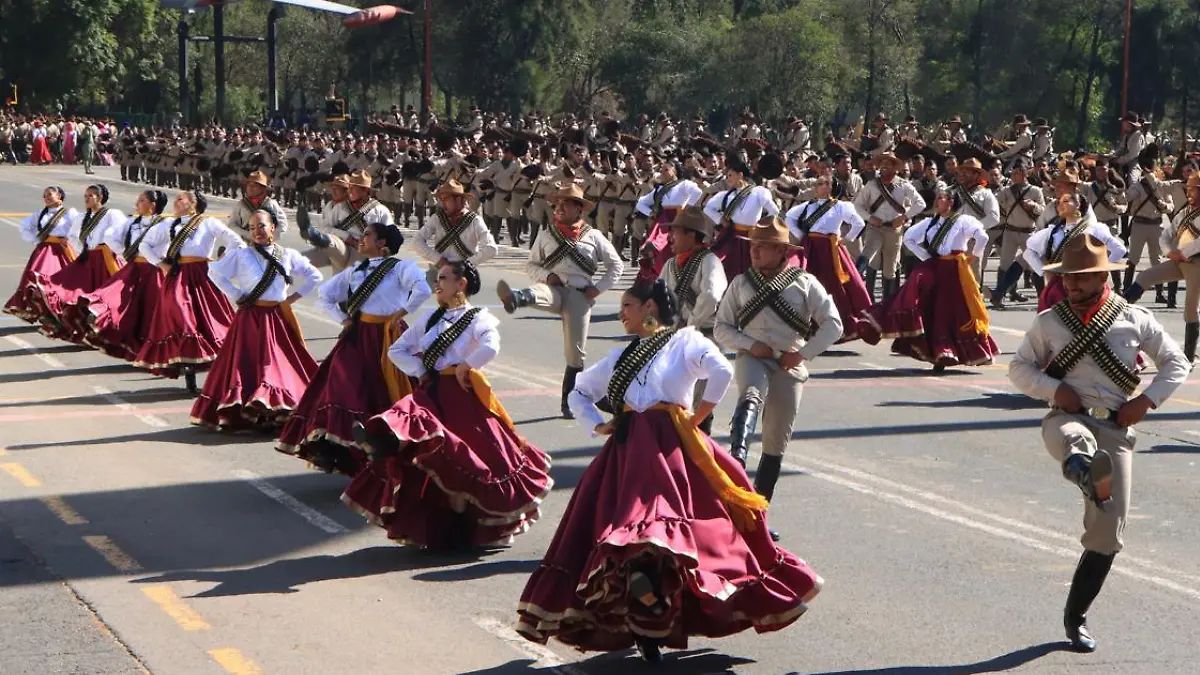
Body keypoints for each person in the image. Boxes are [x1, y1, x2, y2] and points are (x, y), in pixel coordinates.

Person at [517, 279, 823, 663]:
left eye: (628, 305)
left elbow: (721, 372)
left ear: (649, 308)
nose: (623, 312)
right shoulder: (620, 356)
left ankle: (658, 609)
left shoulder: (684, 342)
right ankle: (647, 615)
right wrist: (598, 424)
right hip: (627, 451)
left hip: (670, 449)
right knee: (627, 533)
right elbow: (579, 391)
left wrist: (696, 417)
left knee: (666, 528)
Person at [1008, 234, 1189, 653]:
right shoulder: (1050, 321)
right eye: (1067, 278)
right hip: (1067, 418)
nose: (1071, 286)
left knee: (1108, 534)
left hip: (1115, 428)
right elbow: (1019, 367)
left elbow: (1176, 361)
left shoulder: (1133, 318)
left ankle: (1076, 618)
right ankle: (1084, 468)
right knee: (1075, 439)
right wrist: (1053, 389)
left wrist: (1146, 401)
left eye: (1081, 279)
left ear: (1103, 276)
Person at [344, 261, 553, 549]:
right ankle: (381, 439)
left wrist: (465, 366)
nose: (437, 284)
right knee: (412, 416)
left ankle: (457, 529)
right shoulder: (430, 317)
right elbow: (397, 350)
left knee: (463, 459)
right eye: (436, 279)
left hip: (461, 395)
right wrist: (420, 371)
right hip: (432, 389)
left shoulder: (479, 317)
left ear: (461, 283)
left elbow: (491, 345)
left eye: (443, 278)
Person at [714, 218, 843, 540]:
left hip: (788, 363)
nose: (754, 251)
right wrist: (749, 344)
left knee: (775, 440)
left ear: (782, 251)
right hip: (753, 358)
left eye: (762, 246)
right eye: (752, 245)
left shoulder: (805, 283)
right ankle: (737, 462)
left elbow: (833, 325)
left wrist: (802, 354)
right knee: (750, 398)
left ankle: (757, 516)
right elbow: (722, 327)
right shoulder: (742, 283)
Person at [276, 221, 430, 476]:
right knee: (340, 381)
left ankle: (387, 446)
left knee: (385, 391)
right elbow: (325, 295)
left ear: (382, 244)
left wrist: (400, 313)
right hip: (358, 335)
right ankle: (331, 446)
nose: (362, 238)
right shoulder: (356, 270)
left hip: (389, 336)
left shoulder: (401, 267)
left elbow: (422, 290)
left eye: (368, 235)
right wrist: (344, 319)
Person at [495, 182, 624, 419]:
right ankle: (516, 297)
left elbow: (616, 265)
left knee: (575, 353)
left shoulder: (594, 236)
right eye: (558, 203)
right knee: (540, 292)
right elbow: (531, 264)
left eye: (566, 203)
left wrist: (597, 289)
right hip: (554, 289)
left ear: (579, 209)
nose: (560, 207)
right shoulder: (546, 234)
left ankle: (569, 401)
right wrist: (547, 275)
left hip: (580, 295)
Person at [191, 210, 322, 430]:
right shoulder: (242, 254)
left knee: (277, 364)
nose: (257, 232)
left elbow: (314, 276)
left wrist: (291, 299)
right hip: (250, 316)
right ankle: (250, 412)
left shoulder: (287, 254)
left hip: (277, 318)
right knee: (248, 364)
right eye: (252, 228)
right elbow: (214, 272)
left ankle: (278, 409)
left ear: (273, 227)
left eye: (261, 226)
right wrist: (236, 294)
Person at [857, 184, 1000, 371]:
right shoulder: (930, 223)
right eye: (939, 197)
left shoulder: (963, 220)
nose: (941, 201)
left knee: (955, 310)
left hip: (955, 269)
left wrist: (973, 255)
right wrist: (926, 257)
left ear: (952, 201)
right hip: (936, 265)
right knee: (929, 302)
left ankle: (954, 350)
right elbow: (909, 238)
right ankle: (889, 323)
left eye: (945, 197)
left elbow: (982, 236)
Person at [132, 190, 244, 392]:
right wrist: (161, 264)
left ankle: (223, 376)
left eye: (181, 199)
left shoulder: (208, 223)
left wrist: (222, 262)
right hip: (178, 276)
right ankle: (190, 377)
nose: (175, 202)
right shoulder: (167, 224)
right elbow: (145, 244)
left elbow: (236, 241)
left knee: (210, 321)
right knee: (184, 320)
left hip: (203, 275)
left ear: (193, 204)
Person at [657, 206, 727, 434]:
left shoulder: (709, 261)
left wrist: (692, 325)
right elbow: (659, 299)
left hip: (705, 335)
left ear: (692, 235)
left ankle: (700, 442)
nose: (670, 237)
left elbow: (712, 295)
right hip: (679, 336)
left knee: (699, 398)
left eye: (676, 232)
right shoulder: (670, 265)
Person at [26, 184, 125, 342]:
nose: (86, 199)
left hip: (106, 258)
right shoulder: (82, 217)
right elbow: (74, 237)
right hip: (88, 258)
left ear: (100, 198)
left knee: (108, 295)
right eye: (85, 196)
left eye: (90, 196)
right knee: (67, 289)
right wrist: (82, 249)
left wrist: (111, 247)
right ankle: (70, 324)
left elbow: (120, 233)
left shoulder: (112, 214)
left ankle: (107, 328)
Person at [79, 190, 170, 360]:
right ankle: (103, 319)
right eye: (138, 199)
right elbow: (110, 237)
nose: (137, 204)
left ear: (153, 205)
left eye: (141, 200)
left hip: (155, 270)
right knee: (119, 299)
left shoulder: (166, 223)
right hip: (135, 268)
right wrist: (125, 253)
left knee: (153, 310)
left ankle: (157, 351)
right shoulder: (132, 222)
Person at [784, 173, 872, 342]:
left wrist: (845, 240)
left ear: (833, 187)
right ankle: (810, 326)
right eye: (818, 183)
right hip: (811, 249)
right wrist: (802, 235)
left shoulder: (840, 206)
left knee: (835, 285)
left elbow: (859, 223)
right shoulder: (808, 206)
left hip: (831, 249)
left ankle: (843, 326)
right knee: (809, 283)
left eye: (825, 183)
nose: (821, 186)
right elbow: (789, 218)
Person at [1125, 172, 1200, 364]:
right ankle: (1120, 314)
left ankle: (1189, 357)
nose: (1189, 192)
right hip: (1179, 260)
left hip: (1196, 264)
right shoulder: (1185, 212)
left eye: (1193, 189)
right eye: (1189, 188)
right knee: (1145, 277)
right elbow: (1166, 235)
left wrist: (1184, 252)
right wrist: (1170, 253)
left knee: (1191, 308)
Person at [1023, 187, 1126, 312]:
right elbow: (1028, 252)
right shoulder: (1052, 232)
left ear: (1078, 205)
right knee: (1056, 323)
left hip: (1087, 285)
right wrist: (1045, 273)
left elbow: (1119, 250)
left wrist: (1099, 268)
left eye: (1066, 201)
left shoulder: (1094, 229)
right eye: (1059, 202)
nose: (1060, 204)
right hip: (1061, 287)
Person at [852, 153, 926, 300]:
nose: (884, 166)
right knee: (869, 254)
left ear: (895, 168)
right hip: (875, 228)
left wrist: (903, 218)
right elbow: (857, 205)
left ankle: (888, 303)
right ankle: (866, 296)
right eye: (882, 163)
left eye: (888, 163)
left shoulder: (904, 185)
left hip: (894, 230)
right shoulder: (871, 185)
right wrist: (870, 218)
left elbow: (921, 203)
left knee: (890, 268)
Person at [4, 187, 80, 322]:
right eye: (45, 196)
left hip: (62, 251)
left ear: (60, 196)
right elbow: (25, 226)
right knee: (38, 277)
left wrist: (69, 238)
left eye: (50, 194)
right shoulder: (40, 214)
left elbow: (79, 227)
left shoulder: (69, 213)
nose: (47, 198)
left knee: (61, 282)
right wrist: (37, 239)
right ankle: (41, 310)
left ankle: (59, 312)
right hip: (44, 251)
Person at [298, 170, 393, 273]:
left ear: (365, 191)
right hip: (340, 248)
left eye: (353, 188)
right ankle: (312, 235)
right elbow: (326, 228)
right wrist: (346, 237)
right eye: (349, 188)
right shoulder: (340, 207)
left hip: (363, 253)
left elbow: (391, 237)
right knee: (303, 258)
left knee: (345, 283)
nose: (350, 191)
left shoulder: (380, 210)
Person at [703, 157, 781, 280]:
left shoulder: (758, 192)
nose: (727, 179)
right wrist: (721, 219)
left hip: (753, 237)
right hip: (732, 236)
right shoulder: (725, 195)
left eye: (730, 175)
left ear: (740, 175)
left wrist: (761, 227)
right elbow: (707, 208)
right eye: (727, 176)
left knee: (754, 269)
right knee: (729, 268)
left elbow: (774, 211)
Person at [411, 179, 497, 286]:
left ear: (458, 199)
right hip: (441, 273)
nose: (442, 203)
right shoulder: (437, 219)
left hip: (464, 275)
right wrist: (439, 260)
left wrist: (467, 264)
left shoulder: (475, 220)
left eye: (446, 199)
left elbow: (492, 249)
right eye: (441, 199)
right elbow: (416, 242)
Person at [226, 170, 288, 244]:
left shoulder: (271, 204)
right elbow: (232, 225)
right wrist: (247, 235)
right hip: (245, 243)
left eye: (254, 186)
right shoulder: (241, 205)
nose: (250, 188)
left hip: (266, 244)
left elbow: (282, 224)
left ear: (263, 188)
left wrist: (269, 236)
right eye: (249, 185)